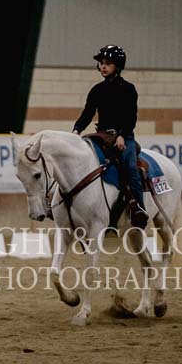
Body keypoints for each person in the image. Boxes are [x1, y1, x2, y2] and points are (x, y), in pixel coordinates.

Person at [73, 45, 148, 228]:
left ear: (118, 66)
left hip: (124, 137)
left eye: (108, 63)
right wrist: (76, 130)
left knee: (130, 167)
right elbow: (88, 113)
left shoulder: (128, 89)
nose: (103, 67)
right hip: (102, 135)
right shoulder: (97, 90)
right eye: (101, 63)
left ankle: (138, 208)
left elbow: (130, 117)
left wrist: (121, 135)